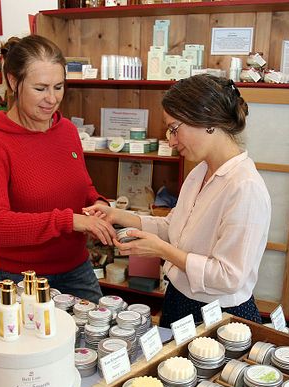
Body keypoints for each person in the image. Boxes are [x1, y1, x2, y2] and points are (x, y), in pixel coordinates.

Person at [84, 74, 271, 326]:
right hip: (178, 298)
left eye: (174, 128)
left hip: (219, 315)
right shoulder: (200, 172)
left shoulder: (244, 187)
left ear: (207, 121)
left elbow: (228, 277)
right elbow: (175, 228)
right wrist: (118, 215)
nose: (171, 141)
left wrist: (162, 251)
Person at [0, 35, 115, 302]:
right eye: (40, 88)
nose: (52, 99)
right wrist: (70, 221)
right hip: (22, 277)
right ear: (14, 82)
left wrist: (96, 203)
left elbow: (82, 186)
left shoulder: (68, 131)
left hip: (77, 267)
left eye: (59, 87)